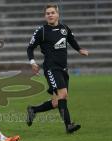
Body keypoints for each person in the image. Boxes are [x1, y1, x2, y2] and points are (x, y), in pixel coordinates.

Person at [26, 4, 89, 133]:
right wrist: (33, 62)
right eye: (47, 13)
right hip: (51, 68)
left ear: (57, 14)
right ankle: (68, 125)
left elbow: (71, 40)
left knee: (56, 102)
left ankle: (33, 110)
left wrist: (79, 49)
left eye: (52, 12)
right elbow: (30, 48)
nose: (50, 15)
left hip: (63, 68)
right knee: (63, 94)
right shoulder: (41, 31)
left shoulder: (64, 28)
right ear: (45, 16)